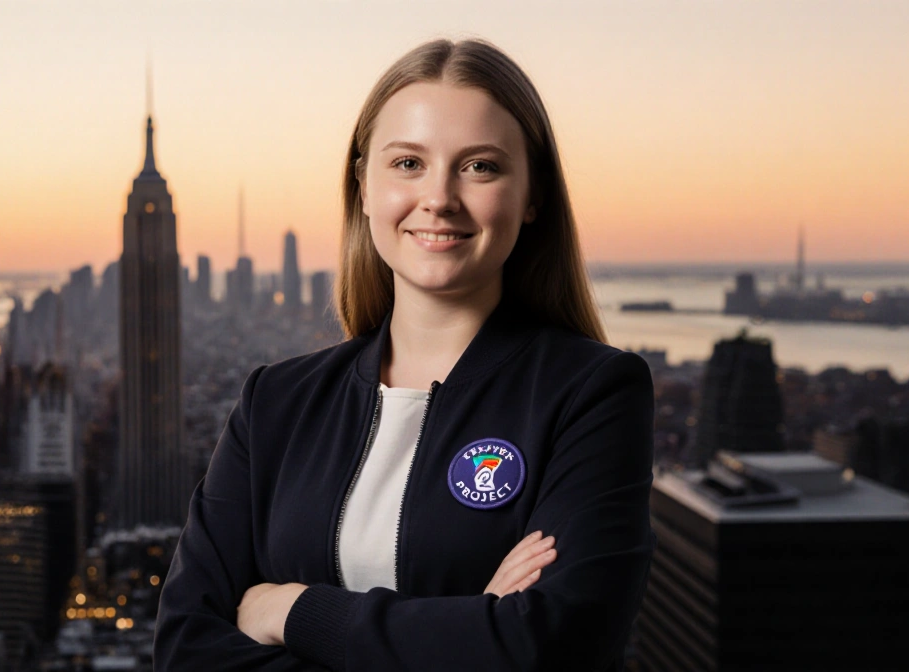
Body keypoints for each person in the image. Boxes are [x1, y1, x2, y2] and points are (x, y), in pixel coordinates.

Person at [154, 37, 656, 671]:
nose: (439, 197)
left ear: (533, 197)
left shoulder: (591, 394)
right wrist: (469, 628)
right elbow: (185, 651)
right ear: (364, 188)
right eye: (409, 163)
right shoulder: (275, 403)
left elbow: (549, 649)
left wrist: (292, 610)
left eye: (481, 166)